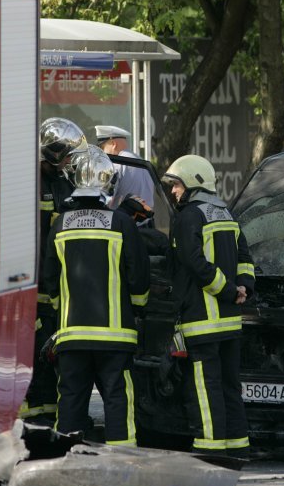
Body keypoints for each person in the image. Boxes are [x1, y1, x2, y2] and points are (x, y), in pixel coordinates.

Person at [43, 144, 150, 446]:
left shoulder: (60, 225)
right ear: (107, 183)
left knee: (72, 399)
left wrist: (60, 310)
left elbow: (50, 279)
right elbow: (139, 277)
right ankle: (120, 460)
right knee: (117, 398)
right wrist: (138, 308)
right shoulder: (122, 224)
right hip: (115, 336)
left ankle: (66, 458)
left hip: (72, 335)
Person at [162, 154, 255, 457]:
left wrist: (228, 290)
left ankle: (211, 453)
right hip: (230, 323)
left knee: (205, 389)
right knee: (230, 387)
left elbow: (194, 263)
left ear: (193, 183)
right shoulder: (225, 213)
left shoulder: (189, 216)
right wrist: (243, 288)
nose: (173, 191)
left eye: (176, 185)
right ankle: (238, 449)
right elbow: (245, 258)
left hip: (202, 323)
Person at [19, 117, 80, 430]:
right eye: (66, 153)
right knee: (32, 351)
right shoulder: (29, 183)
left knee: (51, 353)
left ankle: (49, 413)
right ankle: (28, 418)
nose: (69, 160)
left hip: (58, 289)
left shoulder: (62, 183)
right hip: (34, 287)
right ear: (53, 152)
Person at [97, 124, 155, 209]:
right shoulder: (142, 162)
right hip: (146, 220)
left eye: (102, 148)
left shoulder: (116, 164)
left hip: (123, 220)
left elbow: (104, 200)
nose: (102, 153)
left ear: (113, 144)